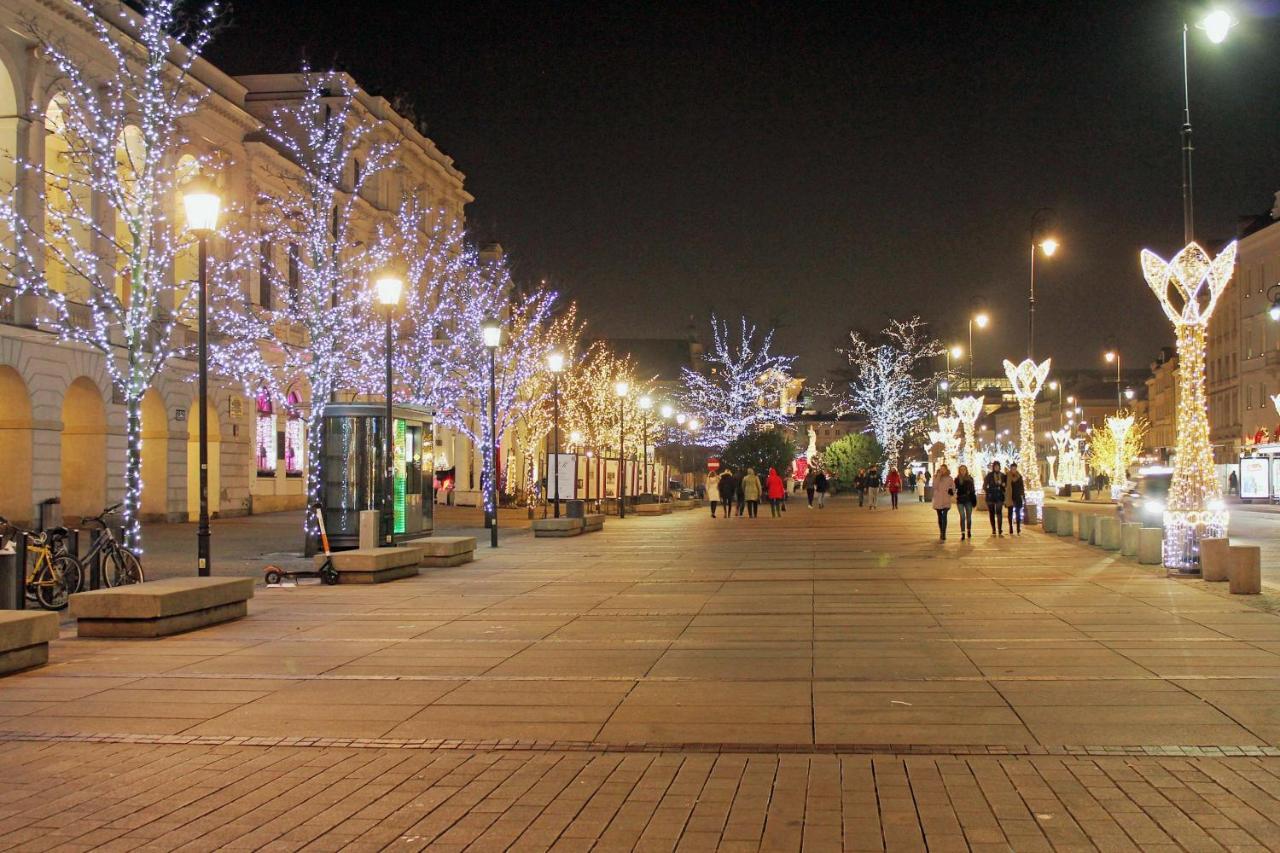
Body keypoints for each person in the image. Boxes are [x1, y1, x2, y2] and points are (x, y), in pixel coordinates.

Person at [983, 461, 1006, 536]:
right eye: (995, 466)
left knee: (999, 513)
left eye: (998, 466)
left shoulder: (1003, 475)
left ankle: (1000, 529)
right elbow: (984, 486)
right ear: (993, 467)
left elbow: (1005, 486)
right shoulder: (989, 475)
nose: (996, 467)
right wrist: (989, 490)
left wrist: (1003, 486)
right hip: (991, 496)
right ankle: (993, 529)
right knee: (992, 513)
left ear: (999, 467)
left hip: (999, 496)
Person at [932, 463, 955, 541]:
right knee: (939, 517)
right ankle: (941, 531)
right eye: (941, 469)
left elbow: (953, 488)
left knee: (944, 516)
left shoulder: (950, 478)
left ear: (946, 470)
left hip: (946, 499)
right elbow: (935, 486)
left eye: (944, 469)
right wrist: (938, 476)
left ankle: (943, 533)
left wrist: (951, 491)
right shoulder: (936, 477)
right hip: (938, 499)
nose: (942, 470)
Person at [954, 464, 977, 540]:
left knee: (969, 517)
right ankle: (963, 533)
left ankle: (969, 530)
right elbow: (954, 489)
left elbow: (973, 490)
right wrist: (952, 491)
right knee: (962, 516)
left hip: (968, 500)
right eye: (961, 470)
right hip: (960, 500)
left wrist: (974, 500)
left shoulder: (970, 479)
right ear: (959, 471)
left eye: (964, 469)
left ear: (966, 470)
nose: (963, 471)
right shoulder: (957, 479)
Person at [1005, 462, 1025, 535]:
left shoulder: (1019, 476)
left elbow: (1022, 487)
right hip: (1010, 497)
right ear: (1010, 469)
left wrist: (1023, 495)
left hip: (1017, 497)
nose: (1013, 470)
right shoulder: (1007, 476)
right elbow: (1004, 486)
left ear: (1016, 469)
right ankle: (1010, 527)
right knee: (1010, 513)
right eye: (1012, 468)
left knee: (1018, 513)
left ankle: (1018, 528)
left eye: (1015, 468)